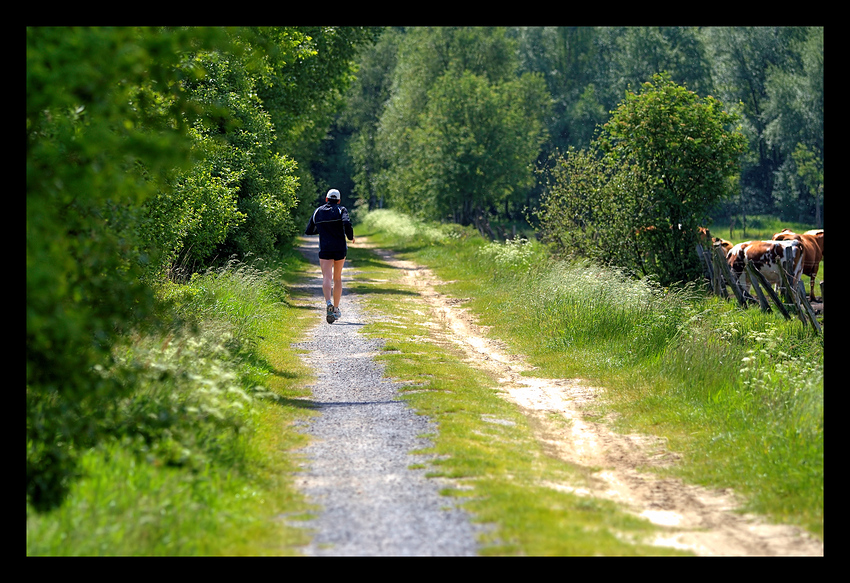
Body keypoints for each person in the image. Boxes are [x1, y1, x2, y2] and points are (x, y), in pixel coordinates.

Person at [304, 188, 355, 323]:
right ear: (338, 200)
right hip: (339, 248)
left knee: (327, 276)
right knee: (337, 278)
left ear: (326, 199)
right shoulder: (341, 210)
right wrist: (350, 237)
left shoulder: (318, 211)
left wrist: (323, 231)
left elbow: (309, 230)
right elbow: (347, 223)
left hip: (325, 248)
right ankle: (336, 309)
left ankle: (328, 303)